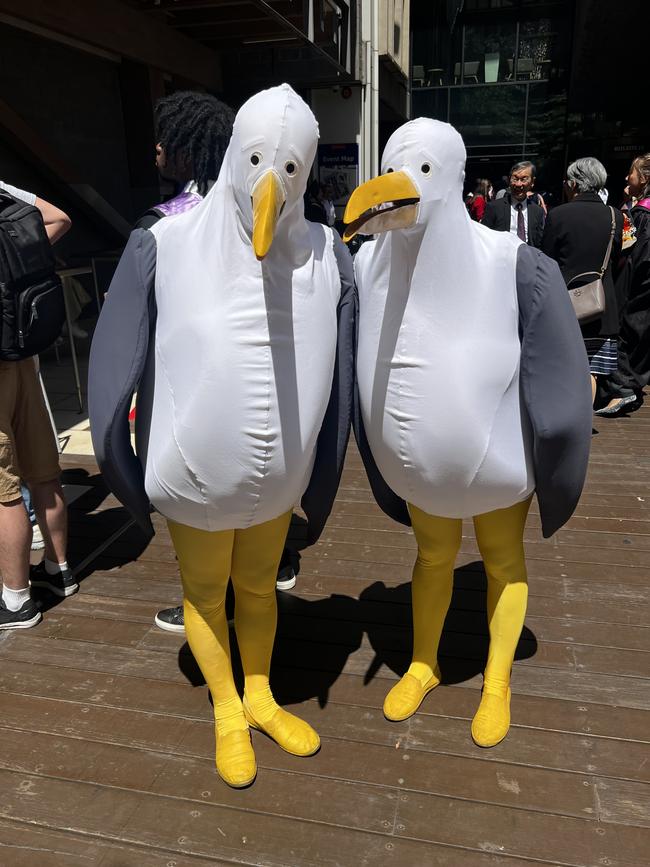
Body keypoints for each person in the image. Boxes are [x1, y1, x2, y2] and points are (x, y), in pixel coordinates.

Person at [88, 84, 355, 787]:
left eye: (289, 167)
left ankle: (262, 693)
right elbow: (116, 361)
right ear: (237, 154)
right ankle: (228, 708)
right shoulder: (164, 242)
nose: (272, 179)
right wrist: (124, 469)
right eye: (261, 159)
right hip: (194, 477)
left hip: (278, 482)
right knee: (207, 596)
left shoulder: (328, 253)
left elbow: (350, 363)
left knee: (260, 590)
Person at [343, 118, 591, 748]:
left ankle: (497, 678)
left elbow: (558, 364)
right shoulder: (368, 261)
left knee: (503, 561)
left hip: (499, 463)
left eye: (421, 170)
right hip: (419, 472)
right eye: (397, 166)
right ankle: (425, 663)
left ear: (449, 179)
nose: (403, 182)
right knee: (431, 558)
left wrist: (560, 454)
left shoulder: (512, 261)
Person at [0, 182, 77, 630]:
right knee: (42, 468)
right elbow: (59, 218)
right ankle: (59, 569)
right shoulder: (4, 192)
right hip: (24, 352)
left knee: (4, 488)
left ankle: (15, 600)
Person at [541, 157, 624, 405]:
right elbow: (618, 259)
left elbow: (547, 259)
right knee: (591, 371)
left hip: (564, 304)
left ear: (574, 184)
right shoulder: (615, 216)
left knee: (562, 366)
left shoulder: (558, 215)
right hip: (601, 306)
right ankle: (583, 424)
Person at [596, 154, 650, 414]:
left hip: (636, 283)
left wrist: (627, 208)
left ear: (644, 178)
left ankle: (623, 390)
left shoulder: (642, 214)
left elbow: (629, 246)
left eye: (632, 172)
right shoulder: (640, 209)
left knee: (625, 330)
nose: (628, 177)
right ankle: (631, 388)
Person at [481, 160, 545, 247]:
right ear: (509, 180)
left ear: (532, 182)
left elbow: (539, 243)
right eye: (515, 179)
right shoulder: (494, 208)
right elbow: (484, 239)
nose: (518, 184)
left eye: (523, 179)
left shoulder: (537, 212)